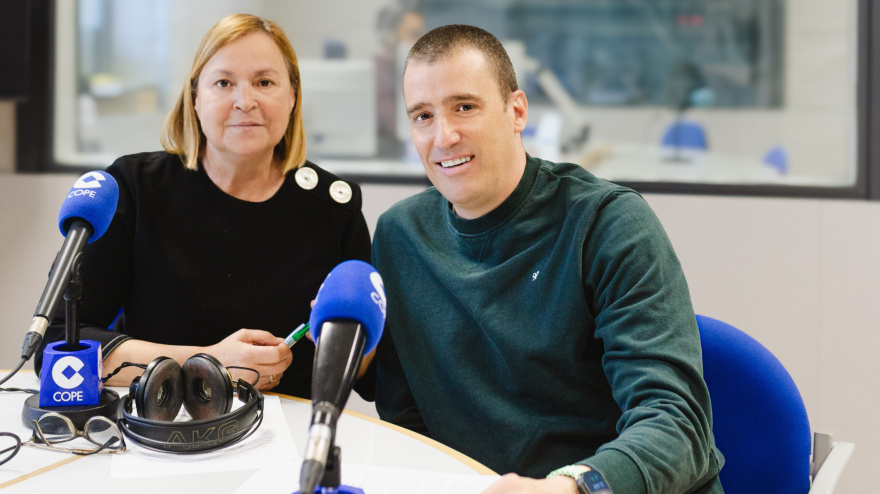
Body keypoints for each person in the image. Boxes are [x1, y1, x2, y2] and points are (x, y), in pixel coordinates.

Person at [371, 25, 724, 493]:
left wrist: (570, 488)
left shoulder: (607, 224)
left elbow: (678, 427)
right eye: (422, 116)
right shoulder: (401, 237)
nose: (444, 136)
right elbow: (405, 415)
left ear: (516, 111)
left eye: (464, 107)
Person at [34, 14, 372, 398]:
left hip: (288, 433)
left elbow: (366, 373)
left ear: (293, 95)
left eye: (265, 82)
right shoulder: (135, 187)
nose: (246, 101)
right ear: (195, 98)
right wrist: (208, 362)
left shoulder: (334, 206)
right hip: (157, 426)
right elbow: (57, 347)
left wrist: (347, 330)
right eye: (223, 83)